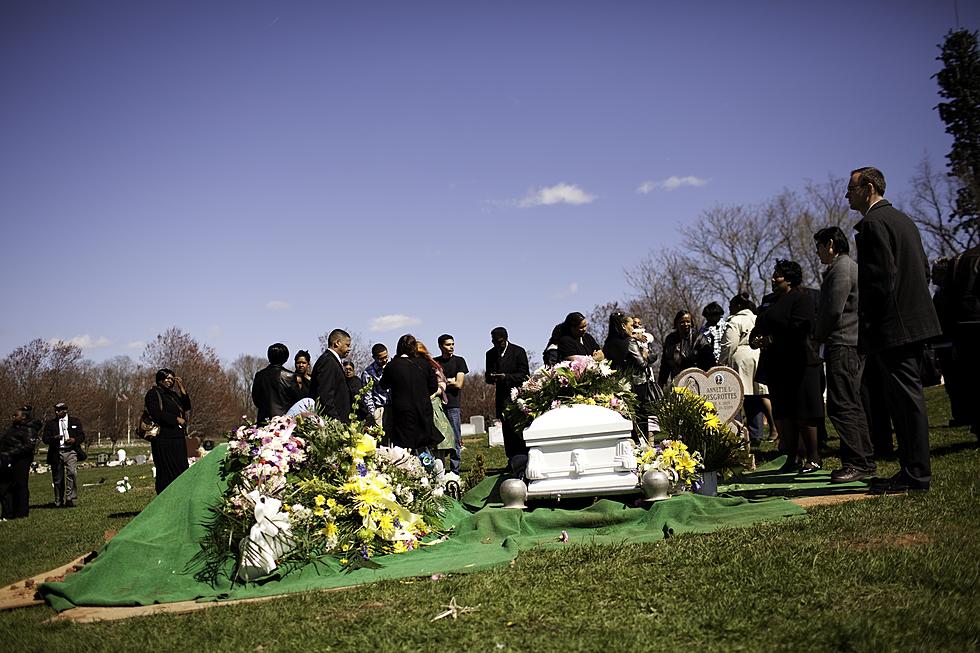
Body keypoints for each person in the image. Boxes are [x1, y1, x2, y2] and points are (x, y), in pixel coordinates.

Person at [848, 166, 943, 492]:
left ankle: (915, 474)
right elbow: (924, 270)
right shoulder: (903, 220)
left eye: (852, 189)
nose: (847, 195)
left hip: (894, 326)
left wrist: (871, 327)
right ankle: (913, 470)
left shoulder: (874, 224)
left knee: (904, 403)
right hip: (913, 321)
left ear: (869, 187)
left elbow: (879, 282)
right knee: (907, 400)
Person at [812, 227, 876, 482]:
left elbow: (832, 310)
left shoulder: (841, 269)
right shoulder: (847, 267)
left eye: (818, 247)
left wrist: (817, 337)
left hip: (843, 343)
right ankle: (864, 460)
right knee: (851, 402)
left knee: (842, 405)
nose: (817, 253)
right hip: (849, 343)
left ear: (830, 244)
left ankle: (856, 462)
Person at [750, 260, 824, 473]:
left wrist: (771, 340)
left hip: (799, 363)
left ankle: (813, 457)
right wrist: (756, 340)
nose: (774, 278)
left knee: (803, 412)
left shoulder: (802, 299)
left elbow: (801, 328)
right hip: (776, 365)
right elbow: (759, 326)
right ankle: (792, 457)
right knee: (783, 413)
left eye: (778, 275)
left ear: (790, 278)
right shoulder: (769, 301)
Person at [720, 291, 776, 444]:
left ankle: (738, 432)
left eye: (731, 306)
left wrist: (722, 361)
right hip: (758, 355)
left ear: (737, 306)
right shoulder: (757, 318)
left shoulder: (735, 321)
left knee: (739, 397)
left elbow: (729, 344)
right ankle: (756, 433)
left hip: (741, 358)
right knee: (757, 396)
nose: (729, 309)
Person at [941, 243, 980, 441]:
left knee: (971, 378)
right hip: (975, 320)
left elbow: (950, 296)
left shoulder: (961, 260)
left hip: (963, 324)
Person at [379, 334, 440, 451]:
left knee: (404, 446)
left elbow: (383, 385)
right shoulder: (424, 364)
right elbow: (433, 387)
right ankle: (428, 467)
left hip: (402, 412)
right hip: (423, 409)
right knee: (424, 446)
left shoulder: (392, 366)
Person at [485, 327, 530, 473]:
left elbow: (524, 375)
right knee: (507, 431)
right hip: (502, 397)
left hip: (517, 396)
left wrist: (507, 377)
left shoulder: (518, 352)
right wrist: (492, 377)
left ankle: (524, 458)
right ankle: (511, 460)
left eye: (499, 342)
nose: (496, 345)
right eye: (494, 342)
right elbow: (488, 377)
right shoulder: (490, 354)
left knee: (519, 429)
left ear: (505, 339)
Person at [603, 311, 652, 437]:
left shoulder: (607, 344)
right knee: (640, 417)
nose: (633, 328)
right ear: (624, 326)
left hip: (617, 386)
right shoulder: (629, 341)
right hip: (635, 385)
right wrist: (645, 355)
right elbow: (642, 364)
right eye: (631, 325)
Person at [145, 369, 192, 494]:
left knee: (181, 468)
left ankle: (180, 496)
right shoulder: (153, 393)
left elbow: (186, 406)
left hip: (177, 437)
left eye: (172, 379)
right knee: (166, 470)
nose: (170, 381)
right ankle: (164, 498)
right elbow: (156, 413)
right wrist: (176, 419)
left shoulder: (173, 395)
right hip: (163, 438)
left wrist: (181, 387)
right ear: (160, 379)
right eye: (167, 378)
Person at [434, 334, 469, 474]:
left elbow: (459, 383)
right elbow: (432, 383)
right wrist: (449, 380)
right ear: (441, 346)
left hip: (453, 405)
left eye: (453, 344)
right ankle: (439, 469)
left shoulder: (459, 361)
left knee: (455, 437)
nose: (451, 347)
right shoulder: (435, 363)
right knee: (439, 438)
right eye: (448, 344)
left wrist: (442, 382)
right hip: (438, 405)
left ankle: (455, 471)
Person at [42, 402, 85, 507]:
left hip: (71, 451)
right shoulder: (50, 424)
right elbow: (45, 439)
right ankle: (58, 500)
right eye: (56, 411)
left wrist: (74, 440)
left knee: (72, 473)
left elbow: (82, 436)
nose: (57, 413)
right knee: (58, 478)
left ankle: (69, 497)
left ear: (65, 410)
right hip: (56, 452)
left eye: (59, 410)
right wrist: (54, 438)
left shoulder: (75, 421)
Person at [310, 329, 354, 423]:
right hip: (332, 422)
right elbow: (325, 394)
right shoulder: (328, 361)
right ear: (337, 343)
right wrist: (335, 420)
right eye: (347, 345)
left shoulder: (332, 361)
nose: (349, 349)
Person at [251, 343, 301, 424]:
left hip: (263, 421)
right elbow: (296, 400)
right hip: (283, 422)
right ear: (286, 358)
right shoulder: (290, 376)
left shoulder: (260, 375)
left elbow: (256, 399)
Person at [0, 407, 36, 519]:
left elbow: (28, 446)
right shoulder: (12, 429)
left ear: (23, 417)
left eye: (16, 415)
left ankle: (22, 512)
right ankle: (9, 512)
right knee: (7, 487)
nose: (13, 417)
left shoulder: (29, 429)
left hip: (21, 460)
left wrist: (10, 453)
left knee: (20, 485)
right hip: (9, 460)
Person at [657, 310, 697, 388]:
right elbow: (665, 363)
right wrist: (662, 381)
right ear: (676, 323)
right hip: (676, 379)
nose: (685, 324)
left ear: (691, 323)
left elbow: (708, 361)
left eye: (688, 322)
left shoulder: (698, 338)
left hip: (695, 379)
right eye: (682, 322)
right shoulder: (670, 339)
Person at [361, 343, 391, 426]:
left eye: (386, 357)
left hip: (393, 407)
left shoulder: (392, 366)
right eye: (381, 358)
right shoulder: (368, 373)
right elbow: (367, 395)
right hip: (379, 408)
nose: (384, 360)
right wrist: (373, 412)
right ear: (374, 358)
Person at [695, 302, 726, 370]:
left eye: (712, 316)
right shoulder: (703, 330)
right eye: (707, 316)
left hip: (723, 364)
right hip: (706, 365)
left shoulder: (726, 327)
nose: (709, 319)